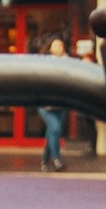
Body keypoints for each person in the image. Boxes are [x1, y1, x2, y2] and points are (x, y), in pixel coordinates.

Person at [40, 37, 70, 173]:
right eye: (55, 46)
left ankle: (44, 161)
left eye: (60, 45)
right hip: (45, 105)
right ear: (51, 49)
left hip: (61, 104)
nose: (58, 48)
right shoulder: (45, 64)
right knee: (55, 128)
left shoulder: (68, 63)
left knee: (52, 133)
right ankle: (56, 159)